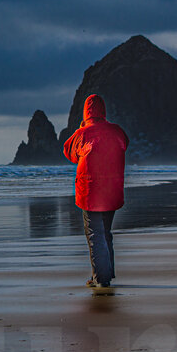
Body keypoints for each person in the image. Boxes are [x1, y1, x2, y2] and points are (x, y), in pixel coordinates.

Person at [63, 94, 129, 289]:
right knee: (105, 232)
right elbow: (124, 144)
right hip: (111, 190)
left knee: (95, 234)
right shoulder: (117, 131)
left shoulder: (83, 134)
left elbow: (69, 152)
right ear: (103, 111)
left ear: (86, 112)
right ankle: (106, 273)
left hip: (90, 191)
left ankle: (101, 279)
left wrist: (84, 128)